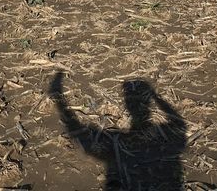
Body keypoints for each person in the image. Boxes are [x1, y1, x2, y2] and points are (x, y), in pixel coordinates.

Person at [49, 71, 187, 190]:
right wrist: (156, 97)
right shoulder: (170, 135)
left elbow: (78, 132)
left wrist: (59, 101)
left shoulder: (115, 140)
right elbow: (179, 122)